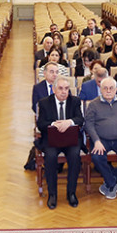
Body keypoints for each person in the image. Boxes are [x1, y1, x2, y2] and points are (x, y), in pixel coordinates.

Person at [85, 78, 117, 199]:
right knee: (97, 157)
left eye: (111, 88)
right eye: (105, 88)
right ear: (100, 89)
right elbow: (89, 124)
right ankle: (112, 183)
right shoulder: (93, 104)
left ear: (116, 89)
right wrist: (96, 141)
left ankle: (111, 181)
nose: (108, 91)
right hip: (101, 139)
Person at [36, 76, 83, 209]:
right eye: (60, 88)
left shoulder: (75, 101)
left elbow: (80, 119)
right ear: (54, 89)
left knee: (75, 156)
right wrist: (53, 124)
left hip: (70, 139)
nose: (64, 92)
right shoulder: (44, 102)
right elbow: (41, 124)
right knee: (50, 157)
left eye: (66, 89)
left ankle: (71, 193)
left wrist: (69, 122)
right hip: (52, 140)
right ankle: (52, 194)